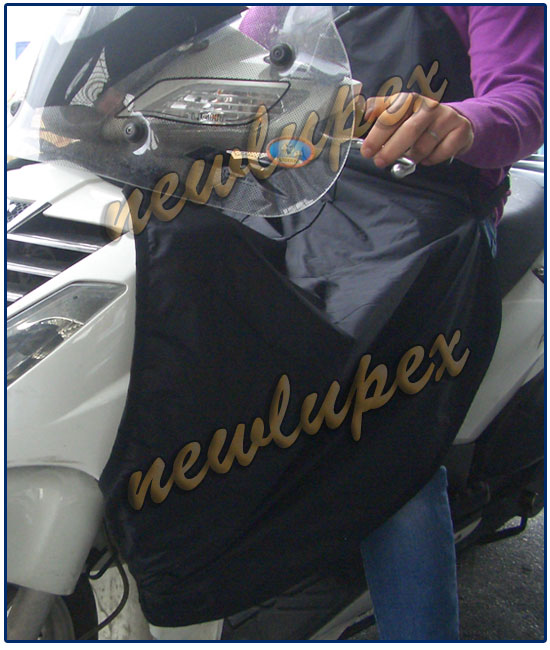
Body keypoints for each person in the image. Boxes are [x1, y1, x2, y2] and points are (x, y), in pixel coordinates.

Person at [239, 4, 544, 641]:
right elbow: (239, 62)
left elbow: (523, 98)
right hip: (305, 198)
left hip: (430, 214)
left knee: (380, 433)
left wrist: (461, 120)